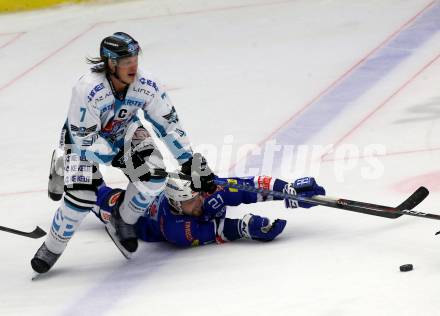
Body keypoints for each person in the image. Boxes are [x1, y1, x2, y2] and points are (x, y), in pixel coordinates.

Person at [31, 32, 216, 274]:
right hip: (81, 142)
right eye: (126, 61)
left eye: (135, 59)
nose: (133, 66)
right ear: (111, 63)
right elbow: (84, 138)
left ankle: (123, 220)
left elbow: (168, 123)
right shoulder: (87, 89)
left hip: (125, 133)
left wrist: (189, 161)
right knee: (81, 200)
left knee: (154, 177)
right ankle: (52, 247)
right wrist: (116, 157)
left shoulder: (146, 84)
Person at [93, 175, 326, 249]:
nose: (198, 202)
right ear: (176, 205)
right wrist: (246, 227)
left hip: (147, 195)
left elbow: (250, 187)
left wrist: (287, 190)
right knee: (100, 198)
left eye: (197, 196)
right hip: (137, 224)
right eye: (190, 202)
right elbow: (213, 230)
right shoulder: (176, 229)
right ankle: (75, 180)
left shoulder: (206, 191)